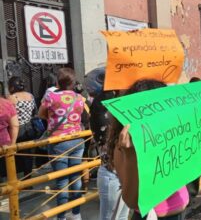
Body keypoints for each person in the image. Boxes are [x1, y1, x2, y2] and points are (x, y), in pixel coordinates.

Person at [107, 79, 189, 220]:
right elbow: (132, 200)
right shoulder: (125, 147)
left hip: (180, 211)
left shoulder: (170, 135)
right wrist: (131, 155)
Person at [38, 68, 85, 220]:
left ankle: (62, 216)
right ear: (72, 83)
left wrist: (53, 119)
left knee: (62, 181)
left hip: (58, 141)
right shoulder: (79, 97)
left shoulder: (51, 96)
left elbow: (41, 114)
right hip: (78, 139)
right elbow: (80, 115)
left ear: (57, 81)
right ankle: (76, 213)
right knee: (75, 177)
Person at [84, 67, 130, 220]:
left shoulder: (113, 102)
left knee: (121, 217)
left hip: (121, 172)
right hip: (112, 174)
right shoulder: (103, 106)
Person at [7, 76, 37, 178]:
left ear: (12, 87)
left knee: (15, 154)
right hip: (29, 128)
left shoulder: (12, 98)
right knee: (28, 154)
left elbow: (6, 114)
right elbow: (34, 112)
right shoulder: (30, 96)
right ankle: (28, 177)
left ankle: (15, 179)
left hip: (17, 129)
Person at [0, 95, 19, 178]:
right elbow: (15, 126)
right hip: (4, 143)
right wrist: (12, 144)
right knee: (6, 174)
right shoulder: (6, 103)